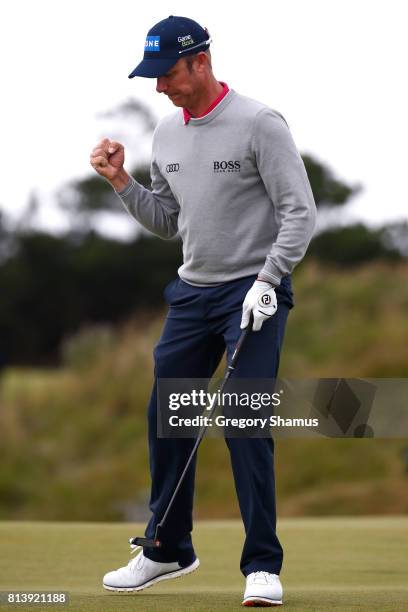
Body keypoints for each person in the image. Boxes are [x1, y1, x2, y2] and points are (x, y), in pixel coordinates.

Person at [90, 15, 316, 607]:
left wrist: (270, 278)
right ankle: (167, 548)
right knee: (168, 415)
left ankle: (262, 566)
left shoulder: (259, 123)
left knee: (244, 422)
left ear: (201, 62)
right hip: (192, 293)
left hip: (254, 290)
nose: (160, 87)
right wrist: (120, 182)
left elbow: (299, 213)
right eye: (154, 77)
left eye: (167, 74)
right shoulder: (166, 132)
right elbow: (169, 220)